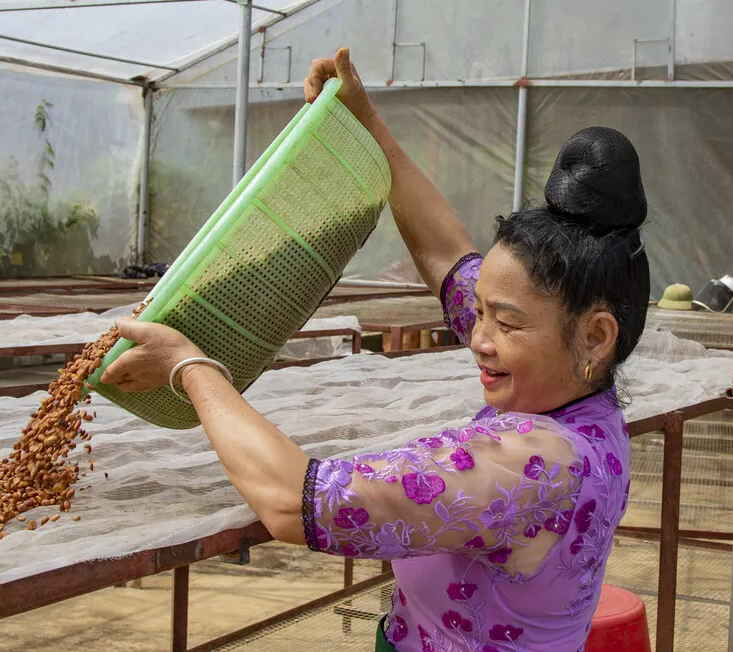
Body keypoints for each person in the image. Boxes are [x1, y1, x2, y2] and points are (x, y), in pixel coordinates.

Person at [101, 48, 651, 652]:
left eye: (506, 324)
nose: (478, 336)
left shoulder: (538, 464)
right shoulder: (573, 390)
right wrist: (366, 124)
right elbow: (446, 257)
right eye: (482, 310)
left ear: (596, 336)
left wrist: (188, 368)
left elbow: (294, 502)